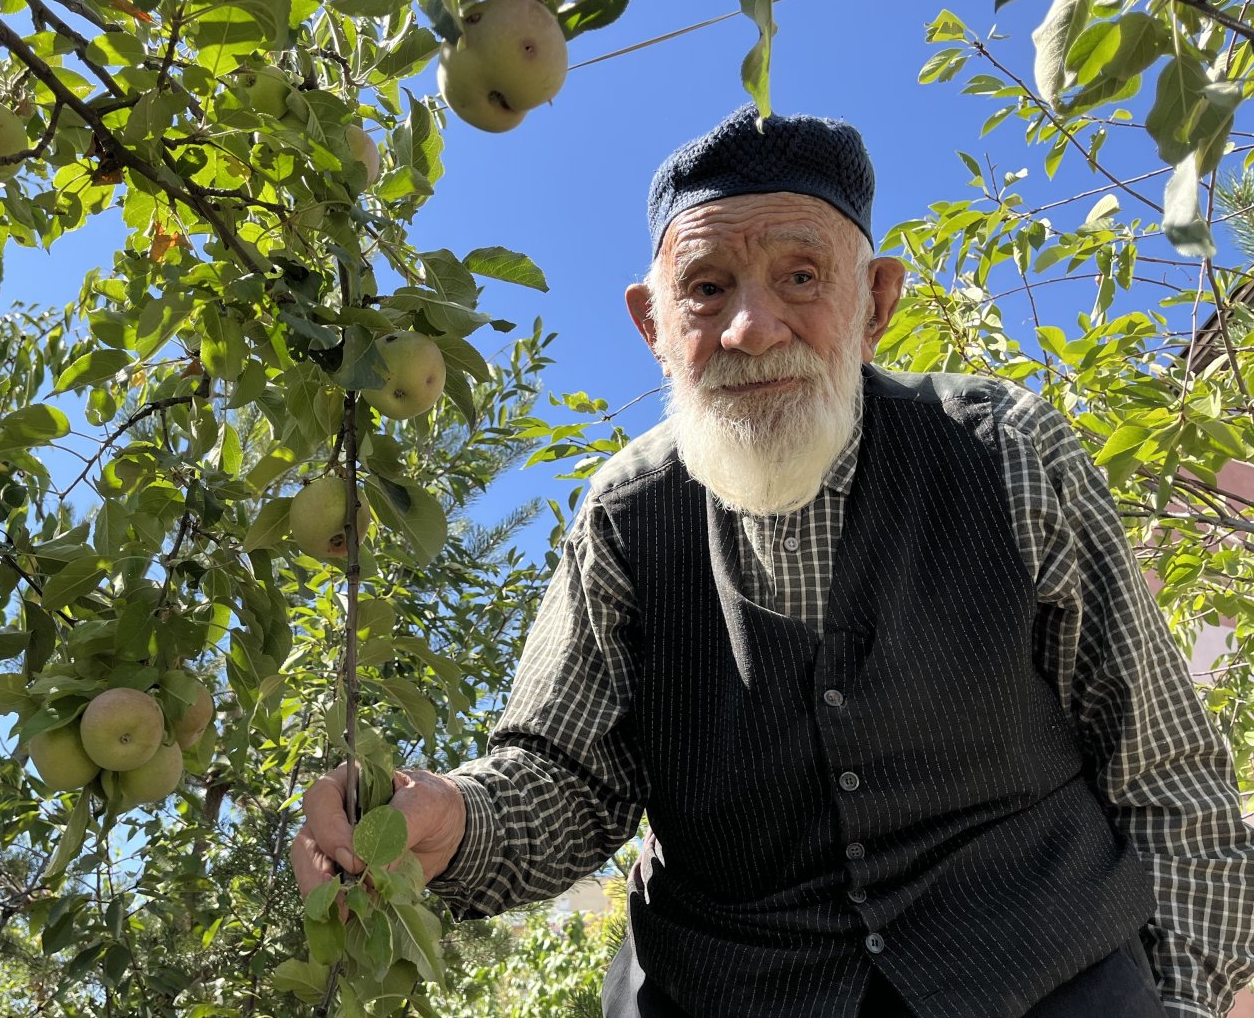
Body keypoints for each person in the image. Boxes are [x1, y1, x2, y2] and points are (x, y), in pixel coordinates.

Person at [291, 104, 1254, 1017]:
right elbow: (566, 775)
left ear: (876, 302)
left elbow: (1165, 767)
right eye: (707, 290)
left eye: (801, 277)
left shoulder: (1007, 453)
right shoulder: (628, 517)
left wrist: (1177, 1000)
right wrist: (450, 817)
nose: (752, 329)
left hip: (1047, 980)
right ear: (652, 326)